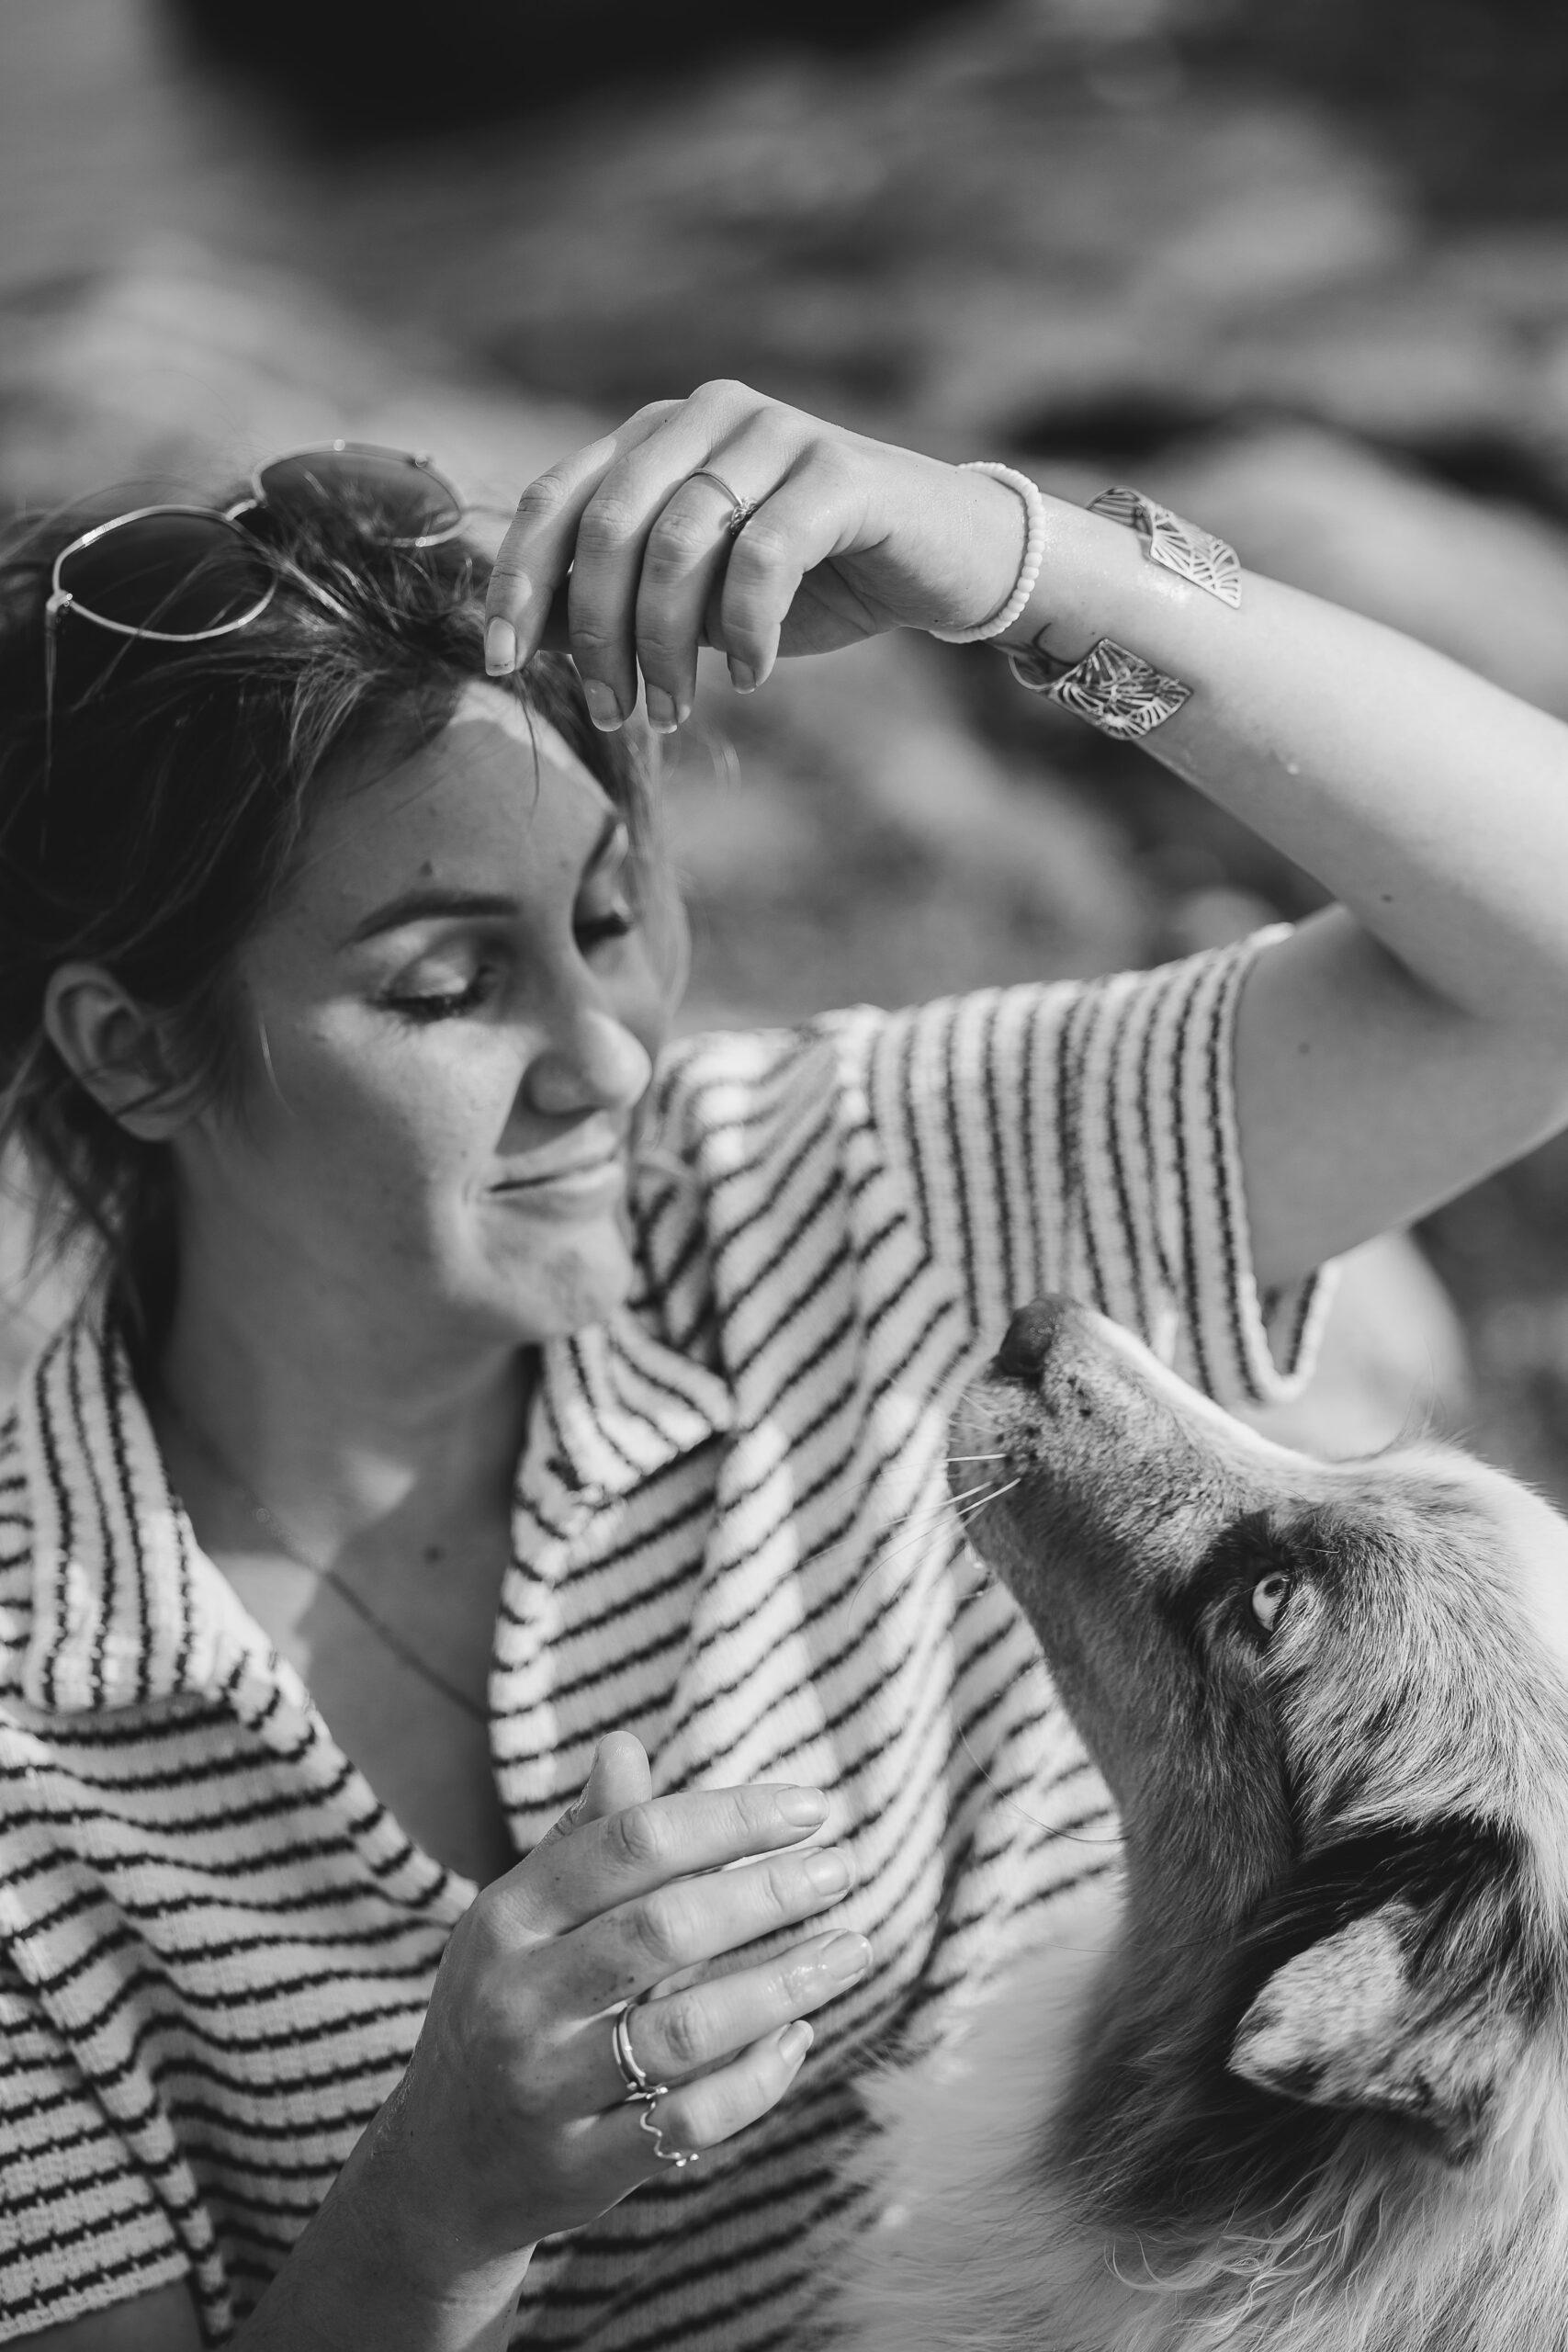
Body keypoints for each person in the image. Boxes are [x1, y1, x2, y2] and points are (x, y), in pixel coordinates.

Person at [1, 382, 1565, 2352]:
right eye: (450, 982)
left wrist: (1024, 563)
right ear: (135, 1050)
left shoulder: (845, 1177)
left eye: (606, 918)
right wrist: (433, 2209)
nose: (610, 1058)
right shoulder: (32, 1755)